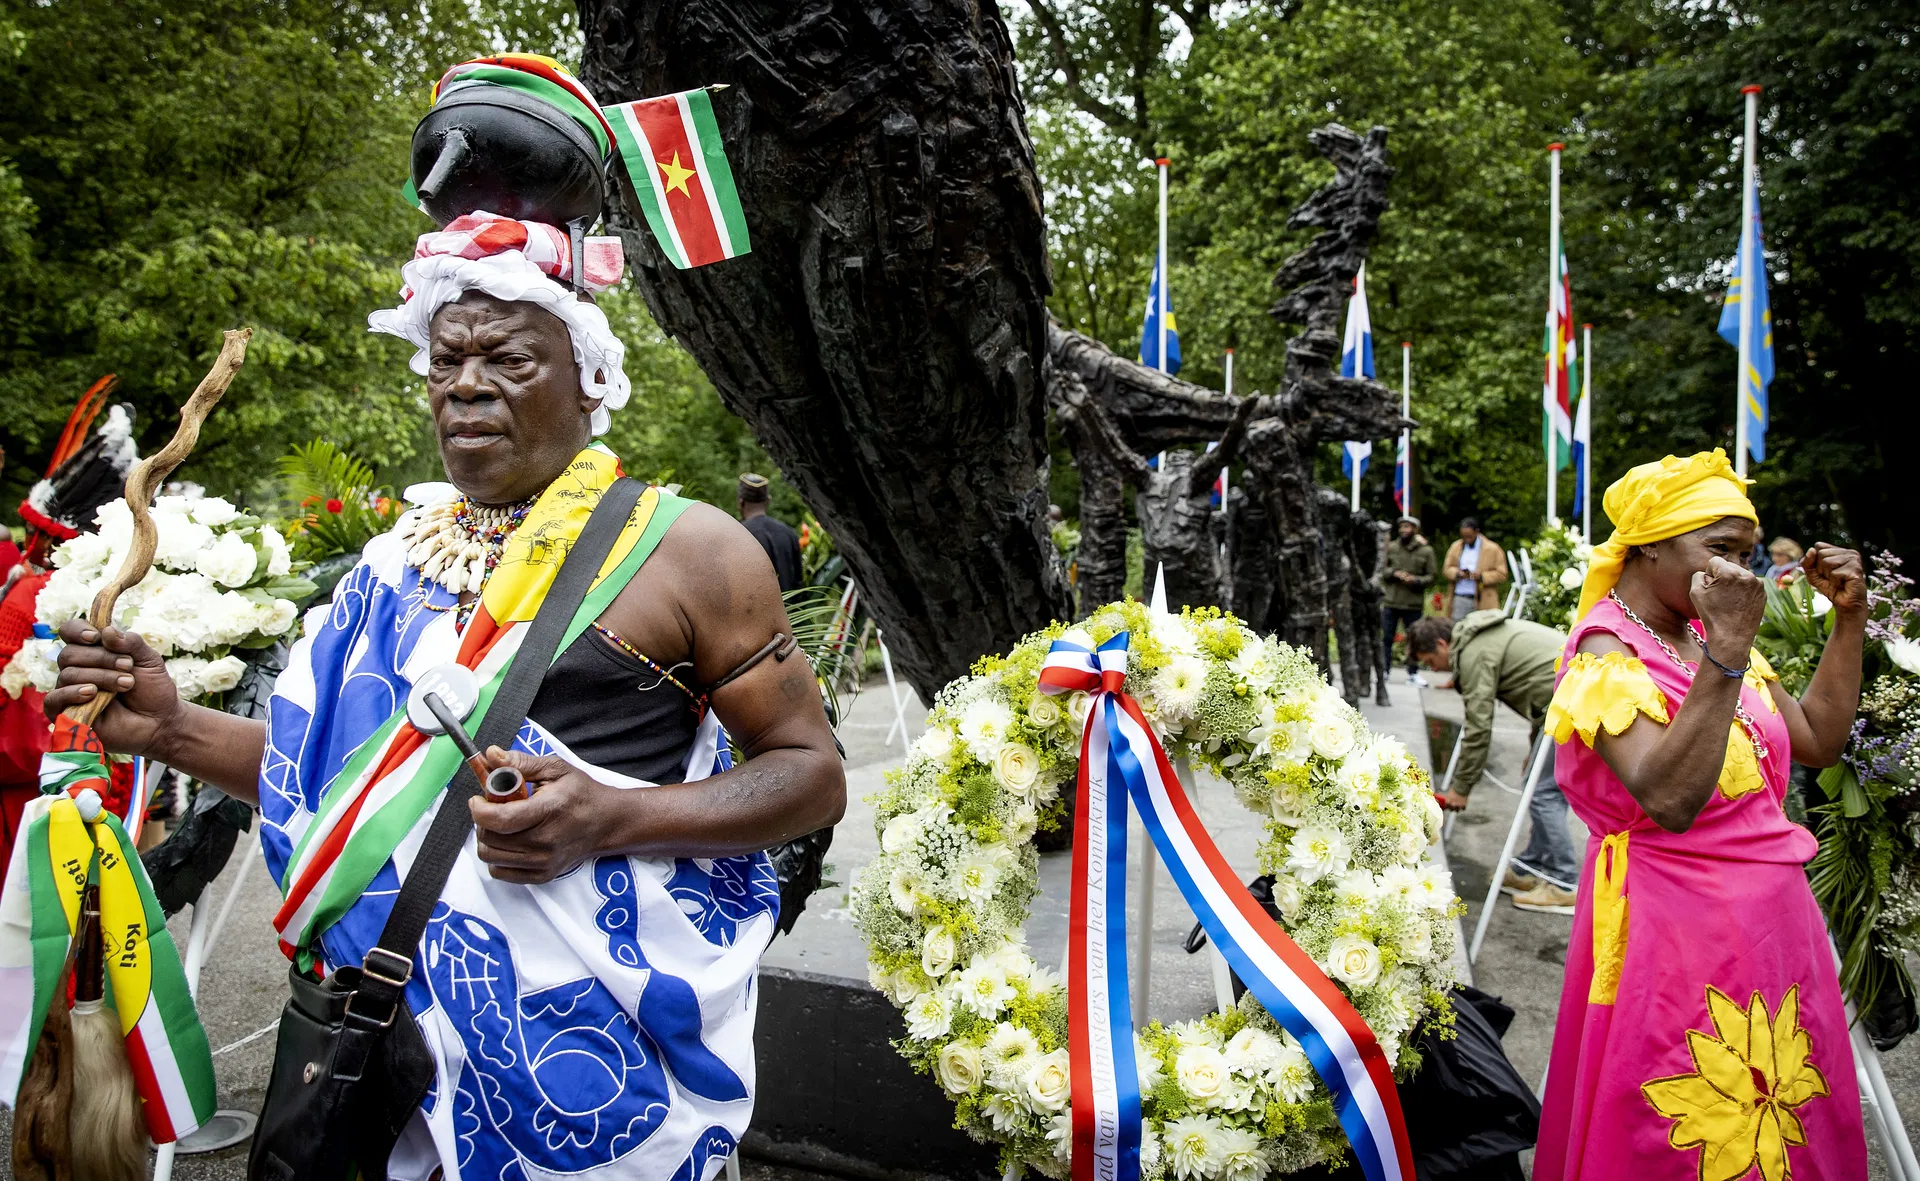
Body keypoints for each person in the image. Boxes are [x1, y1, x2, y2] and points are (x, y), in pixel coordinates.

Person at [46, 78, 847, 1176]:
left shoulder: (691, 550)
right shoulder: (391, 564)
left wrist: (612, 816)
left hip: (595, 1086)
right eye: (446, 358)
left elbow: (811, 773)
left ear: (587, 375)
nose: (466, 386)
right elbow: (338, 785)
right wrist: (174, 727)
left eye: (508, 357)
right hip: (382, 1053)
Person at [1532, 449, 1867, 1180]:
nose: (1740, 574)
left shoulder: (1706, 636)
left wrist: (1849, 618)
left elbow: (1816, 739)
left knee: (1783, 1115)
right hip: (1675, 930)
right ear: (1651, 541)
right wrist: (1729, 648)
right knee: (1686, 1126)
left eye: (1746, 554)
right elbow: (1671, 798)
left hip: (1776, 930)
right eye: (1719, 550)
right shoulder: (1606, 650)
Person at [1408, 613, 1578, 913]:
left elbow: (1478, 726)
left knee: (1544, 794)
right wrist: (1534, 744)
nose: (1433, 670)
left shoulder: (1474, 654)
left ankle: (1565, 883)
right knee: (1537, 787)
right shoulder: (1477, 639)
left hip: (1573, 702)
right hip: (1563, 701)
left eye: (1430, 661)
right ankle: (1532, 867)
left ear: (1442, 644)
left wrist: (1460, 789)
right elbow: (1537, 681)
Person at [1378, 515, 1436, 688]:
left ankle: (1413, 673)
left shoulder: (1426, 551)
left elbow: (1432, 576)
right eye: (1402, 527)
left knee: (1414, 639)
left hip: (1412, 603)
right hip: (1391, 601)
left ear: (1415, 530)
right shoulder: (1392, 547)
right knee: (1386, 638)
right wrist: (1394, 573)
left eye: (1407, 527)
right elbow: (1381, 569)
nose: (1404, 530)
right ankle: (1384, 671)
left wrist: (1416, 580)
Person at [738, 472, 804, 592]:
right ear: (768, 501)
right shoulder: (789, 533)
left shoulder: (737, 535)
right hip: (791, 609)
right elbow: (798, 581)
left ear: (741, 502)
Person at [1441, 517, 1507, 619]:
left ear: (1477, 532)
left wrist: (1481, 576)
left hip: (1484, 599)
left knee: (1483, 631)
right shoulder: (1456, 547)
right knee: (1457, 629)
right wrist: (1458, 574)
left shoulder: (1493, 549)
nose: (1466, 539)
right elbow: (1446, 569)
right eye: (1464, 536)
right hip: (1460, 598)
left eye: (1469, 536)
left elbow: (1502, 574)